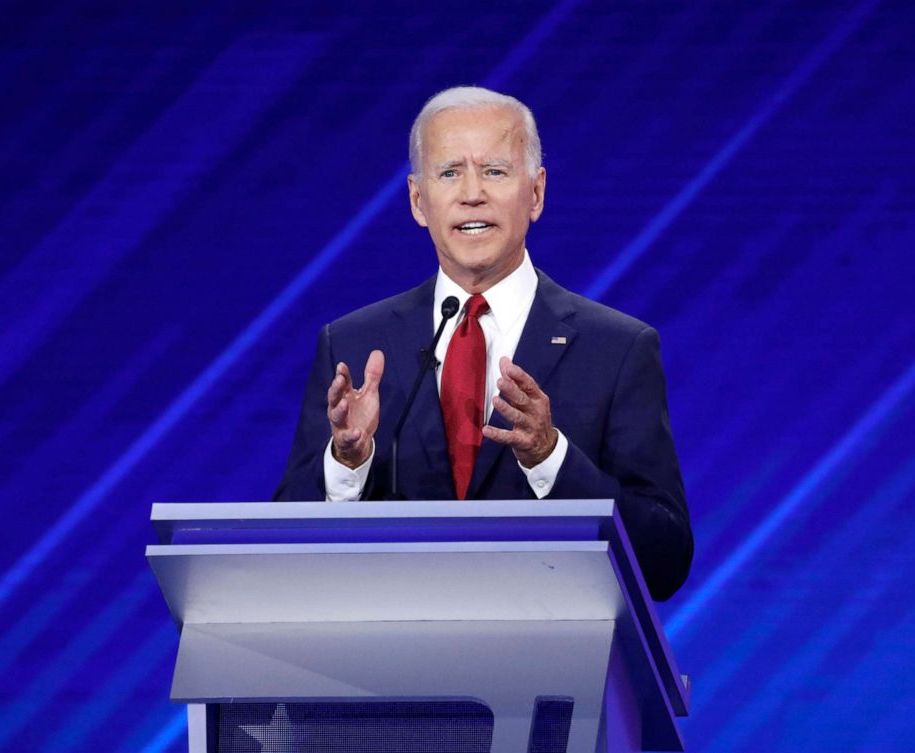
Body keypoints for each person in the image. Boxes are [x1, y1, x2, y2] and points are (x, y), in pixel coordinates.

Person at [275, 86, 692, 600]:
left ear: (535, 193)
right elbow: (283, 554)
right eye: (449, 172)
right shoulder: (354, 345)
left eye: (495, 171)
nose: (472, 193)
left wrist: (550, 458)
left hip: (552, 664)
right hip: (389, 663)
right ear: (417, 200)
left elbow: (664, 561)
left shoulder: (617, 348)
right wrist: (347, 463)